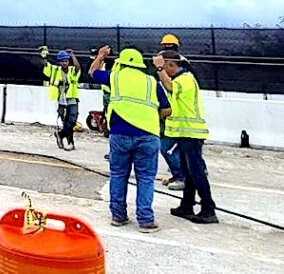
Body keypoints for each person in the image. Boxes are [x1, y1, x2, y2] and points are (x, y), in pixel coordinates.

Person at [88, 45, 171, 232]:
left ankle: (118, 216)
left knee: (118, 174)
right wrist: (150, 118)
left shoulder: (115, 77)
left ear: (121, 64)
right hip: (148, 135)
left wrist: (101, 56)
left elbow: (92, 72)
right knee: (146, 178)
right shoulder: (152, 82)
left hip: (120, 134)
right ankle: (146, 220)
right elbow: (167, 109)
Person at [155, 50, 218, 224]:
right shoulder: (180, 79)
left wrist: (159, 68)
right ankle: (187, 204)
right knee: (188, 172)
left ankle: (208, 209)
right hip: (183, 133)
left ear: (170, 65)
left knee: (196, 172)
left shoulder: (186, 79)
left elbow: (169, 87)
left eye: (164, 67)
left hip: (191, 133)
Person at [156, 33, 186, 190]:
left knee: (167, 147)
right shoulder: (179, 63)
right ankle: (179, 174)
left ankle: (181, 177)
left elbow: (170, 87)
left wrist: (160, 68)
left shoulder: (180, 69)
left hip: (180, 117)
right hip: (174, 116)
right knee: (179, 149)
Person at [42, 48, 81, 151]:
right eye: (63, 61)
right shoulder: (55, 70)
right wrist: (44, 55)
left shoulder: (72, 70)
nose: (65, 63)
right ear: (59, 62)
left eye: (66, 61)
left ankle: (60, 134)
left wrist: (72, 55)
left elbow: (78, 67)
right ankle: (70, 143)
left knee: (72, 120)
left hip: (72, 98)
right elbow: (45, 65)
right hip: (61, 99)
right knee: (66, 122)